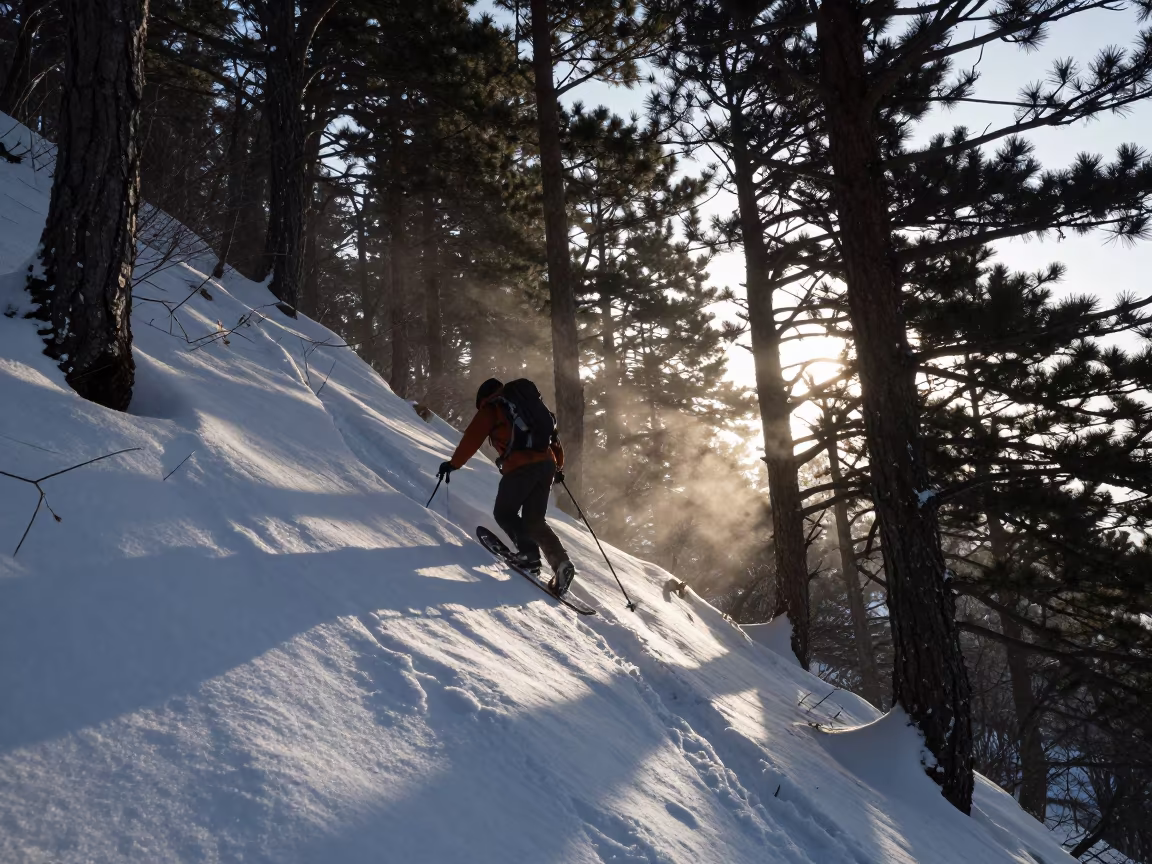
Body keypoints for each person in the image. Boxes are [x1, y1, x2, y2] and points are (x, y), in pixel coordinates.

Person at [438, 378, 577, 596]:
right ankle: (561, 563)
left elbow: (471, 439)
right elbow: (552, 436)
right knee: (534, 520)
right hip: (547, 466)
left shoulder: (492, 408)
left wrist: (453, 464)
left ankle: (529, 555)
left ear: (483, 399)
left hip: (522, 466)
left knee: (504, 512)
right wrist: (557, 466)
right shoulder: (529, 405)